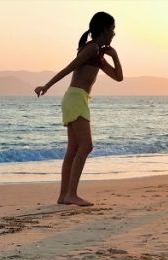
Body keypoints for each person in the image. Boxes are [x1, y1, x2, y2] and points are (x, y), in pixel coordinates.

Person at [34, 11, 123, 206]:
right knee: (86, 146)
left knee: (73, 149)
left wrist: (115, 56)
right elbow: (69, 68)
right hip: (75, 98)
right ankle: (71, 194)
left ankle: (63, 196)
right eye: (113, 29)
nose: (114, 33)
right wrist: (46, 86)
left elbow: (118, 77)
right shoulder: (91, 49)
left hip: (76, 98)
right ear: (105, 29)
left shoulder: (98, 52)